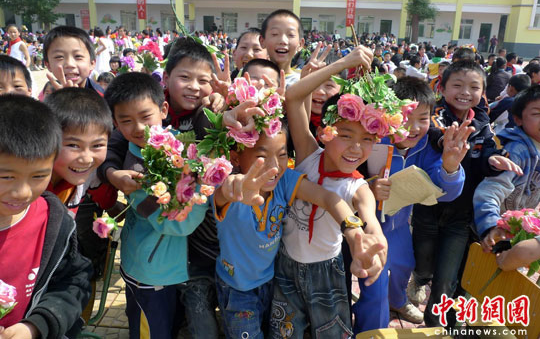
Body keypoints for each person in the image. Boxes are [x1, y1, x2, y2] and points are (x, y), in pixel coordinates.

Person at [213, 114, 382, 338]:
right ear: (235, 158)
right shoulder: (230, 188)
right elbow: (222, 193)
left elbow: (328, 199)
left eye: (282, 155)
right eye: (262, 157)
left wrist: (354, 233)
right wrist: (228, 189)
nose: (274, 166)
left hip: (272, 281)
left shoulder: (284, 181)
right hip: (237, 290)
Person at [270, 45, 388, 338]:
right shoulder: (309, 153)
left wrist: (372, 253)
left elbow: (370, 225)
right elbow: (294, 96)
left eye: (367, 139)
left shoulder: (359, 187)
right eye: (346, 135)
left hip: (327, 273)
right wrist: (344, 63)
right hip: (285, 266)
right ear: (326, 131)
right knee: (284, 332)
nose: (356, 148)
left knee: (331, 334)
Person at [409, 60, 522, 327]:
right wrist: (447, 143)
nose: (465, 92)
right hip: (428, 208)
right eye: (457, 85)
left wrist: (495, 161)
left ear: (483, 92)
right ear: (443, 88)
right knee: (423, 265)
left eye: (474, 87)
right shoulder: (435, 113)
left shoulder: (482, 123)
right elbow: (436, 133)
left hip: (461, 217)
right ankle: (419, 278)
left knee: (445, 279)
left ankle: (435, 326)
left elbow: (492, 150)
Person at [353, 77, 469, 332]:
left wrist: (450, 166)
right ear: (388, 114)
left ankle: (397, 301)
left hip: (398, 225)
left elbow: (445, 193)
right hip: (363, 226)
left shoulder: (429, 147)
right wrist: (369, 187)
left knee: (405, 264)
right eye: (405, 118)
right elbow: (347, 174)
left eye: (423, 118)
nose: (414, 128)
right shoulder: (372, 139)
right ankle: (373, 331)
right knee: (375, 284)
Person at [104, 72, 208, 338]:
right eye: (126, 121)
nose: (138, 128)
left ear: (163, 110)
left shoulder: (182, 143)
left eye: (145, 116)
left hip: (168, 267)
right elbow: (177, 225)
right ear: (116, 123)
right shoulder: (135, 173)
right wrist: (204, 192)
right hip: (151, 273)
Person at [0, 94, 92, 338]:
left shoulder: (53, 221)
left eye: (39, 176)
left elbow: (73, 282)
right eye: (6, 177)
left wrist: (36, 325)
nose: (22, 192)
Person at [474, 85, 540, 254]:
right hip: (492, 229)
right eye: (537, 113)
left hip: (513, 231)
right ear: (518, 119)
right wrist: (491, 225)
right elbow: (489, 191)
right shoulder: (516, 151)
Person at [43, 25, 104, 94]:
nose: (70, 64)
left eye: (78, 56)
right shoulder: (47, 95)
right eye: (59, 57)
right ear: (48, 65)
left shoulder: (103, 97)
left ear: (92, 63)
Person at [260, 10, 305, 88]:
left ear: (300, 44)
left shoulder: (302, 79)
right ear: (262, 41)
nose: (283, 41)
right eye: (275, 34)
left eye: (291, 35)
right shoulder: (252, 77)